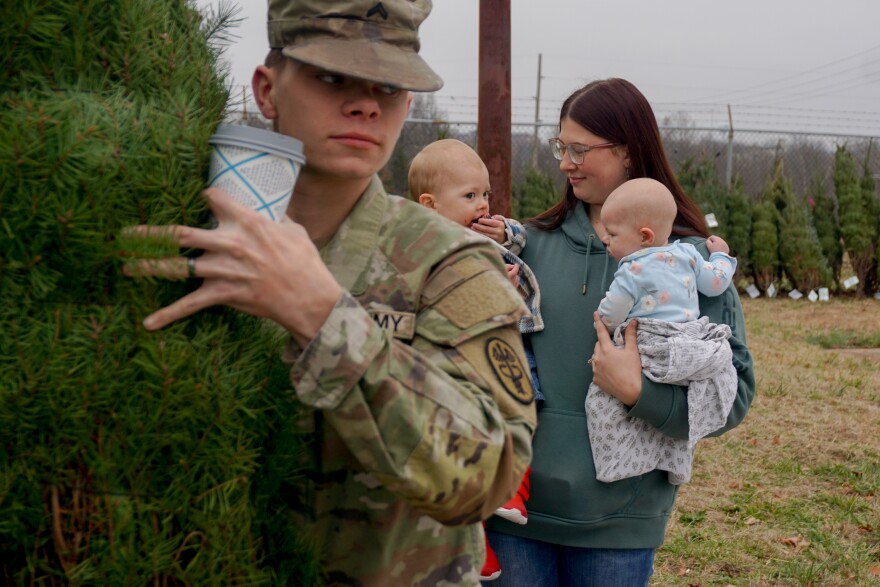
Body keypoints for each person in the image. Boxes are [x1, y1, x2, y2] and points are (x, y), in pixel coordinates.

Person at [123, 1, 537, 585]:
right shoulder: (178, 234)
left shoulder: (449, 265)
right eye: (331, 76)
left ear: (408, 104)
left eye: (389, 87)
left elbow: (487, 478)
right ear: (267, 90)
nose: (366, 103)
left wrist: (325, 317)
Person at [483, 78, 755, 587]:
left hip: (619, 525)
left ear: (629, 152)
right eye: (561, 146)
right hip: (514, 515)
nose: (565, 161)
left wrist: (639, 393)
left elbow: (733, 397)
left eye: (580, 149)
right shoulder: (526, 247)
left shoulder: (686, 262)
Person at [408, 138, 543, 582]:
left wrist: (506, 234)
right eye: (469, 196)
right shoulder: (426, 246)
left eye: (485, 194)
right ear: (429, 205)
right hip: (460, 364)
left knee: (521, 420)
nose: (483, 204)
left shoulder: (484, 233)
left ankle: (511, 495)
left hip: (508, 352)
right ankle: (475, 545)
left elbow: (519, 238)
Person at [588, 177, 739, 485]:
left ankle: (618, 461)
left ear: (644, 236)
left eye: (613, 234)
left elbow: (614, 312)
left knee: (601, 402)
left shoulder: (631, 270)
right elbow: (716, 283)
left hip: (651, 346)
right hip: (688, 347)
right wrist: (721, 255)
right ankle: (676, 463)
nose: (606, 239)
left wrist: (602, 321)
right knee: (689, 403)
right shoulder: (688, 255)